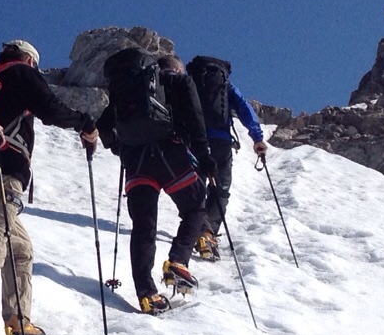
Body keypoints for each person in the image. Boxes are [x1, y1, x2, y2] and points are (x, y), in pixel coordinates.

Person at [0, 40, 98, 335]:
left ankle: (18, 320)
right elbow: (51, 109)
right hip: (0, 170)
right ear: (30, 59)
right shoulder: (20, 73)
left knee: (19, 248)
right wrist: (85, 123)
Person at [95, 49, 210, 313]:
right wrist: (205, 156)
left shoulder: (131, 90)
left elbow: (103, 125)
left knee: (144, 226)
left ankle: (147, 294)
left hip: (136, 162)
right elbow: (195, 117)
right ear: (177, 68)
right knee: (195, 208)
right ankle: (177, 261)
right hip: (170, 156)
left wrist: (118, 149)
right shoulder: (179, 82)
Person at [186, 55, 267, 262]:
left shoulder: (190, 83)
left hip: (194, 140)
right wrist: (257, 138)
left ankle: (200, 229)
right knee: (220, 188)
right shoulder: (227, 87)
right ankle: (208, 234)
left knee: (195, 188)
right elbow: (245, 110)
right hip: (221, 142)